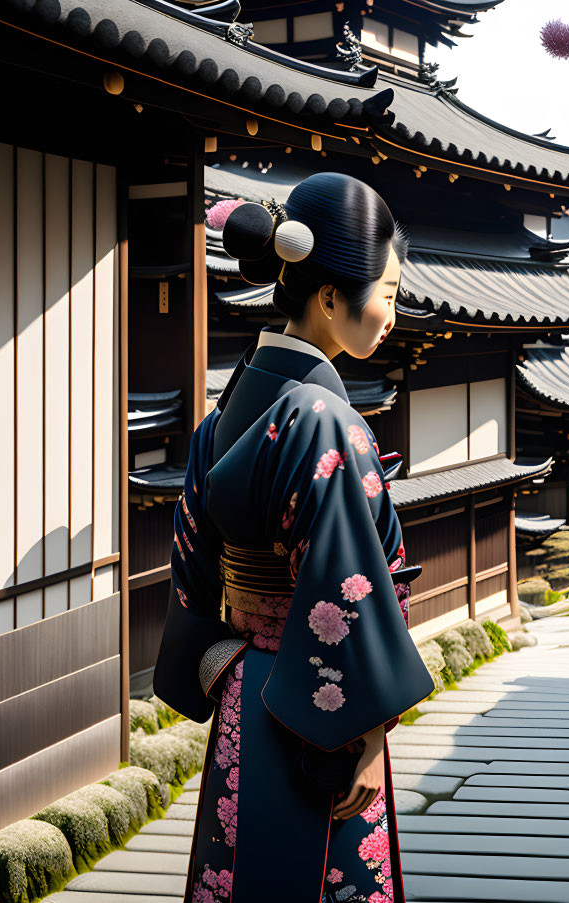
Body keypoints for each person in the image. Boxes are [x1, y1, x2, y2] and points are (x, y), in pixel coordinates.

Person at [152, 172, 434, 903]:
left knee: (241, 869)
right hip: (319, 712)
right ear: (332, 296)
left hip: (245, 686)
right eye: (389, 293)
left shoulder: (225, 417)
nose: (392, 315)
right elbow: (348, 586)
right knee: (318, 878)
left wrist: (227, 652)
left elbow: (192, 570)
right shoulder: (321, 419)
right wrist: (367, 730)